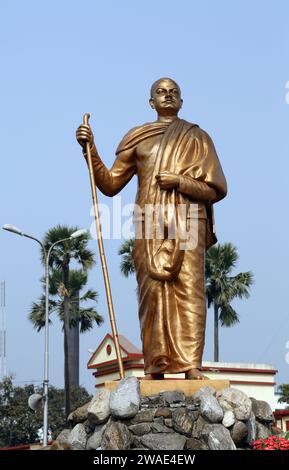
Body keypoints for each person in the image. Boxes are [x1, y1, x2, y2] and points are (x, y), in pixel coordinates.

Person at [76, 78, 227, 380]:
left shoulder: (198, 138)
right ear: (151, 102)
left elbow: (216, 189)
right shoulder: (138, 138)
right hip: (148, 223)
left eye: (174, 93)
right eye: (161, 92)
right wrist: (90, 150)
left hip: (189, 222)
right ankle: (155, 365)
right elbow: (110, 184)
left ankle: (190, 365)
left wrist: (180, 182)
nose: (168, 96)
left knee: (191, 291)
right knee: (151, 293)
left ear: (182, 102)